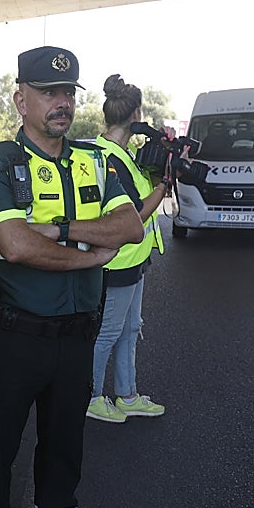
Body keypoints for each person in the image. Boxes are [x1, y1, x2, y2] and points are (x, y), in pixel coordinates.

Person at [0, 46, 143, 508]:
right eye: (49, 92)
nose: (62, 103)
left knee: (65, 445)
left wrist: (59, 229)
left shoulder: (97, 160)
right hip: (13, 337)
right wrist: (92, 251)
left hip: (76, 336)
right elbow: (15, 246)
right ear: (21, 99)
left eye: (68, 93)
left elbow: (132, 227)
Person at [88, 74, 168, 424]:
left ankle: (127, 395)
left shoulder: (121, 153)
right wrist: (165, 185)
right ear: (136, 114)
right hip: (116, 260)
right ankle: (90, 397)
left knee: (130, 329)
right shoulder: (108, 158)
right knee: (107, 333)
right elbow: (135, 215)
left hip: (134, 260)